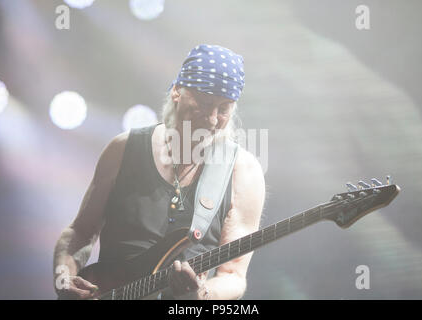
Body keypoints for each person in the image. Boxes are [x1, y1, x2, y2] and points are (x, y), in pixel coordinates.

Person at [53, 44, 266, 300]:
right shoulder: (123, 149)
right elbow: (80, 231)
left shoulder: (244, 173)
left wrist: (202, 294)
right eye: (204, 103)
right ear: (177, 91)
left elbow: (233, 275)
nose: (211, 119)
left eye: (223, 109)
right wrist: (64, 277)